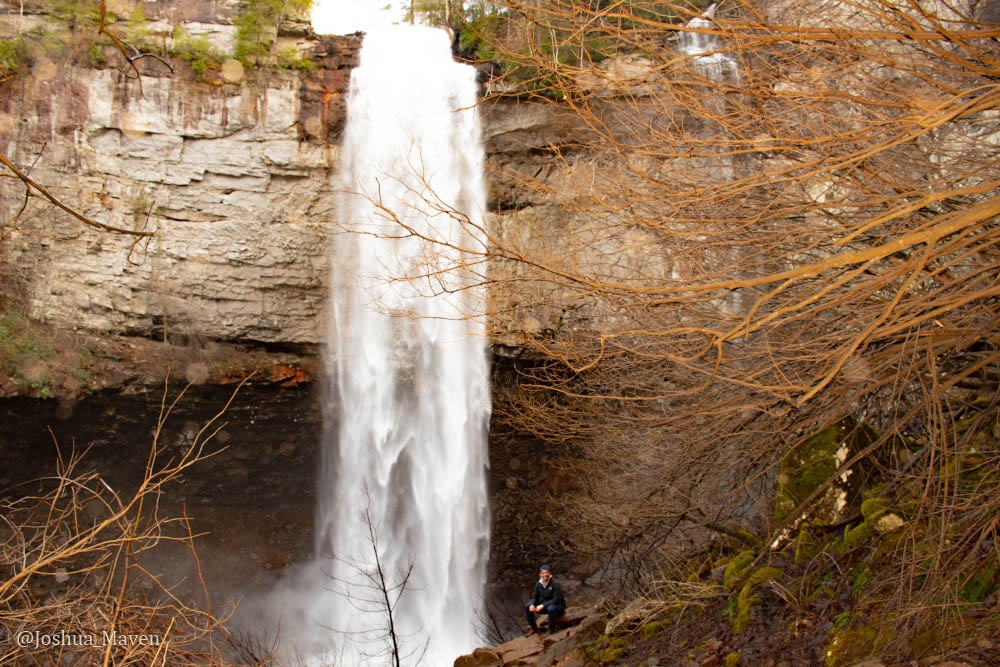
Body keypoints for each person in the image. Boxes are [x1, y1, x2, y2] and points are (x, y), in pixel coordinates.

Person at [524, 564, 565, 635]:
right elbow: (535, 597)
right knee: (527, 606)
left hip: (558, 607)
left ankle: (551, 630)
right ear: (540, 575)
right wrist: (532, 604)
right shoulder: (538, 584)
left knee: (551, 609)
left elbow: (557, 599)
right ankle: (535, 629)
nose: (544, 575)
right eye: (543, 573)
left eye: (546, 573)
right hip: (546, 605)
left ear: (549, 573)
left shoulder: (555, 584)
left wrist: (543, 605)